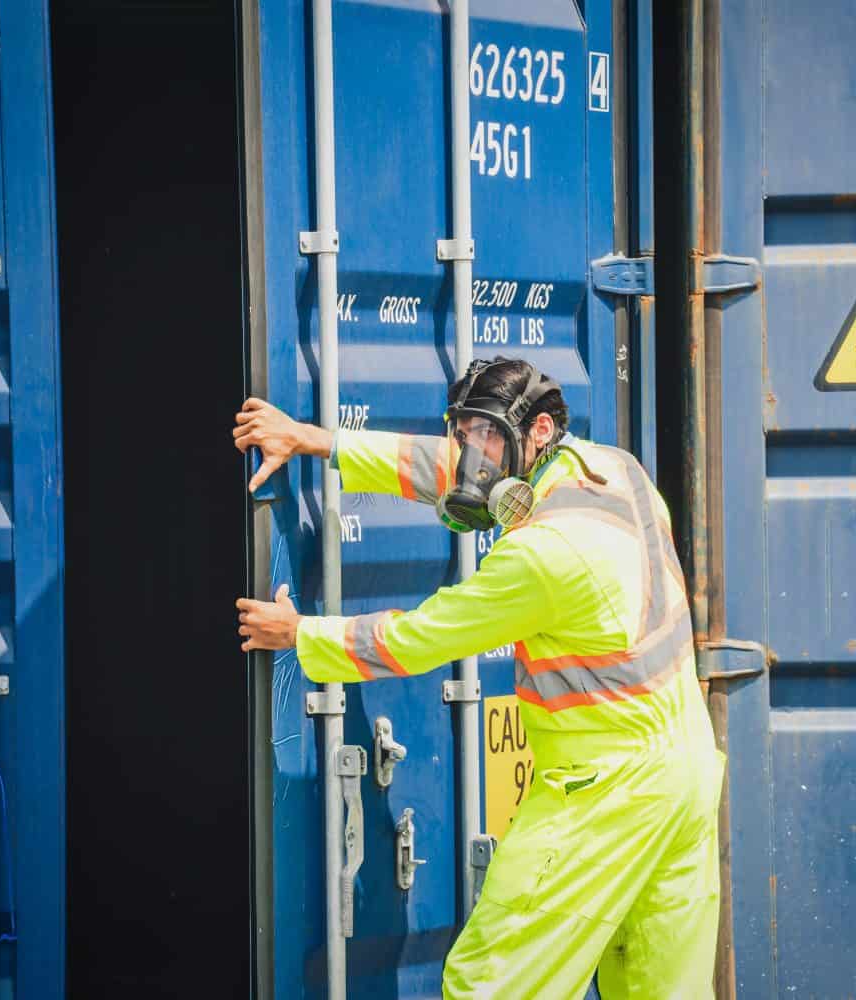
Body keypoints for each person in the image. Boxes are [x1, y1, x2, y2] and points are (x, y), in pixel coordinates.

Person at [233, 357, 724, 999]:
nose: (473, 456)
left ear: (539, 431)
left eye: (487, 436)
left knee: (490, 985)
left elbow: (420, 636)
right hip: (685, 777)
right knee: (659, 990)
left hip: (605, 791)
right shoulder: (615, 471)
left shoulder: (543, 553)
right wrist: (316, 440)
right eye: (466, 434)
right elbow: (446, 467)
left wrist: (300, 634)